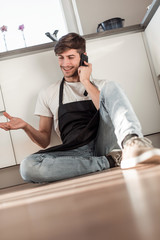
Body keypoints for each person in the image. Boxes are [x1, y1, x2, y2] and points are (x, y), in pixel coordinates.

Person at [0, 33, 160, 183]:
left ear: (83, 57)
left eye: (70, 57)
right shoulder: (48, 93)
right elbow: (44, 141)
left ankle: (134, 145)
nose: (65, 64)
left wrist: (85, 81)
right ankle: (111, 160)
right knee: (28, 167)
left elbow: (109, 115)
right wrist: (25, 126)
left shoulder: (101, 86)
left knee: (112, 86)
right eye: (60, 58)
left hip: (102, 141)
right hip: (74, 150)